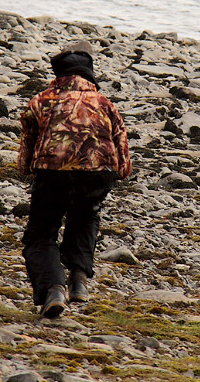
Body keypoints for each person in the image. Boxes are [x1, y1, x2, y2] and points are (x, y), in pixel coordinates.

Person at [17, 40, 132, 318]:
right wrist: (118, 171)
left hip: (52, 171)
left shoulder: (40, 101)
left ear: (59, 74)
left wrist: (29, 168)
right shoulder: (105, 104)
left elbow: (25, 154)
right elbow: (123, 152)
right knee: (86, 217)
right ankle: (79, 280)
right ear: (89, 74)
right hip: (98, 172)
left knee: (41, 233)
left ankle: (54, 289)